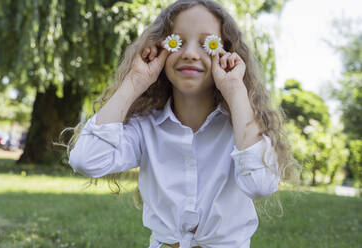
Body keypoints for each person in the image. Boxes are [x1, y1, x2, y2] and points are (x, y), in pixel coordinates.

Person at [66, 0, 301, 247]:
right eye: (175, 42)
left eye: (208, 43)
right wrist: (135, 81)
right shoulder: (146, 127)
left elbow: (261, 185)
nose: (189, 53)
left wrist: (235, 90)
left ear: (228, 53)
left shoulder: (242, 129)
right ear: (159, 50)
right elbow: (87, 160)